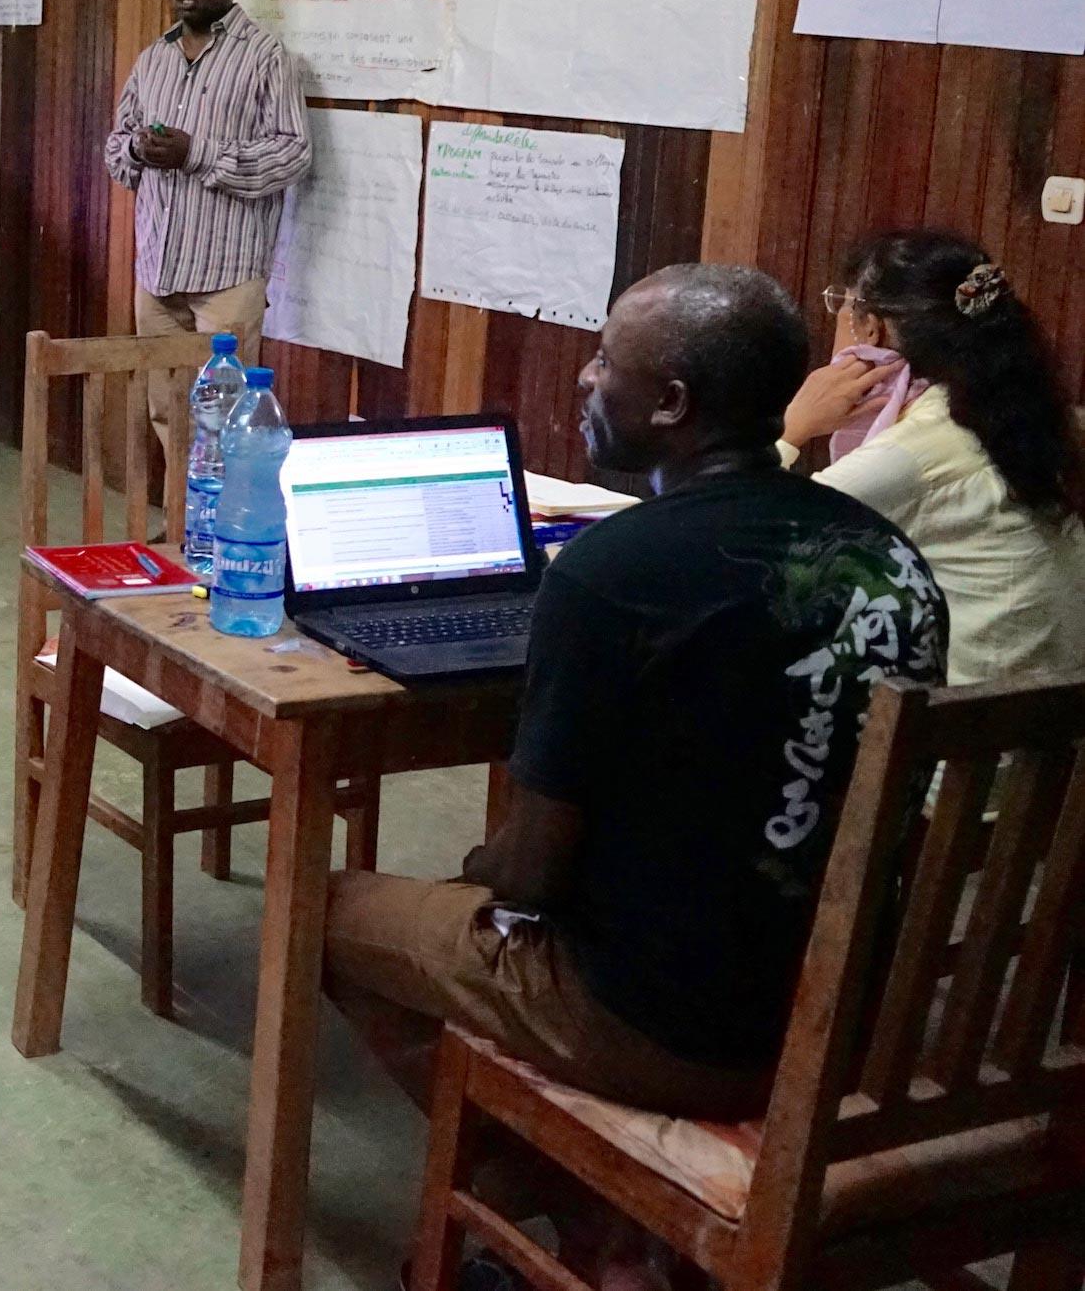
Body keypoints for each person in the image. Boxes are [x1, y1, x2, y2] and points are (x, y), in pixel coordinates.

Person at [322, 266, 946, 1286]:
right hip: (849, 1017)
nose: (584, 375)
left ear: (670, 406)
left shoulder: (613, 574)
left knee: (330, 910)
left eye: (607, 361)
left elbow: (528, 873)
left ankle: (567, 1195)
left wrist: (475, 871)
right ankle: (591, 1202)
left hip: (671, 1024)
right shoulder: (889, 558)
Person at [780, 231, 1085, 685]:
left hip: (963, 742)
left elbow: (757, 536)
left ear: (870, 328)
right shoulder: (1040, 417)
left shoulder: (916, 451)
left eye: (840, 304)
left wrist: (791, 429)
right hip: (1050, 733)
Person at [101, 0, 309, 455]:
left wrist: (198, 154)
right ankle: (182, 526)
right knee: (166, 410)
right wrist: (139, 150)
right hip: (157, 272)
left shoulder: (265, 57)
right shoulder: (154, 58)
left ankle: (222, 530)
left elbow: (292, 153)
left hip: (226, 276)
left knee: (226, 418)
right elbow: (115, 148)